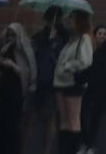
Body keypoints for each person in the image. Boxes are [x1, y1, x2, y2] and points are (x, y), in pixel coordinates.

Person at [52, 10, 94, 154]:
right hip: (60, 82)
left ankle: (72, 149)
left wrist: (67, 66)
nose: (69, 21)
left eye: (72, 18)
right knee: (64, 121)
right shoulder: (72, 39)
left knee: (73, 120)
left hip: (72, 83)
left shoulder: (84, 39)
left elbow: (86, 61)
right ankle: (64, 149)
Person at [30, 8, 68, 154]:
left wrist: (53, 42)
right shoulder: (40, 36)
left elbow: (61, 60)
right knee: (32, 119)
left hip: (53, 83)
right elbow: (36, 53)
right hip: (39, 81)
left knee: (50, 119)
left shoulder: (63, 37)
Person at [0, 23, 35, 154]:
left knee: (12, 127)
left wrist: (14, 66)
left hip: (15, 93)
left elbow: (29, 72)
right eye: (8, 35)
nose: (10, 38)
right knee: (0, 126)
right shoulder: (4, 48)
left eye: (13, 35)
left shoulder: (24, 50)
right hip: (1, 92)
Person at [80, 25, 106, 154]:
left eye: (104, 34)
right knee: (82, 115)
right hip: (90, 89)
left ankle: (91, 145)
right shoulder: (92, 52)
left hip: (103, 91)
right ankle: (85, 142)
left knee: (95, 119)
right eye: (99, 33)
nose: (101, 36)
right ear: (95, 35)